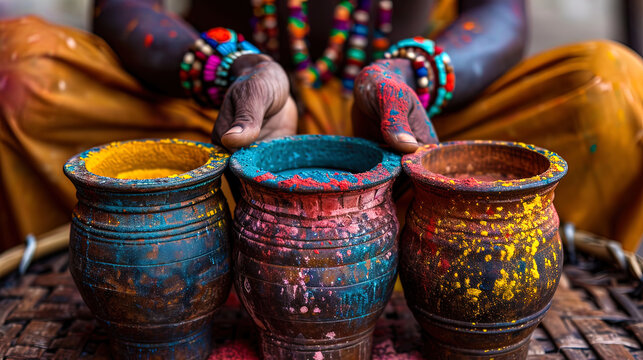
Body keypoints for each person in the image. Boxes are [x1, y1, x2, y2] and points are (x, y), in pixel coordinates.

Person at [0, 0, 642, 253]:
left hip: (420, 123)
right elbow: (123, 5)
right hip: (227, 120)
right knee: (18, 73)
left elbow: (499, 9)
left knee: (610, 92)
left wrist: (411, 75)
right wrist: (232, 69)